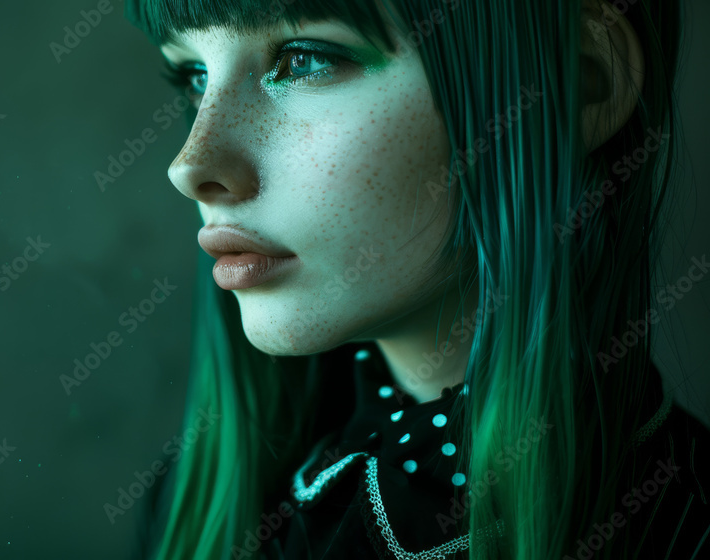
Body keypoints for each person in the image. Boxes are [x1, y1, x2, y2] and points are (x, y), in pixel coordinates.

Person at [124, 1, 710, 558]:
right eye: (194, 76)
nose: (191, 165)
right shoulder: (188, 510)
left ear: (580, 79)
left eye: (304, 59)